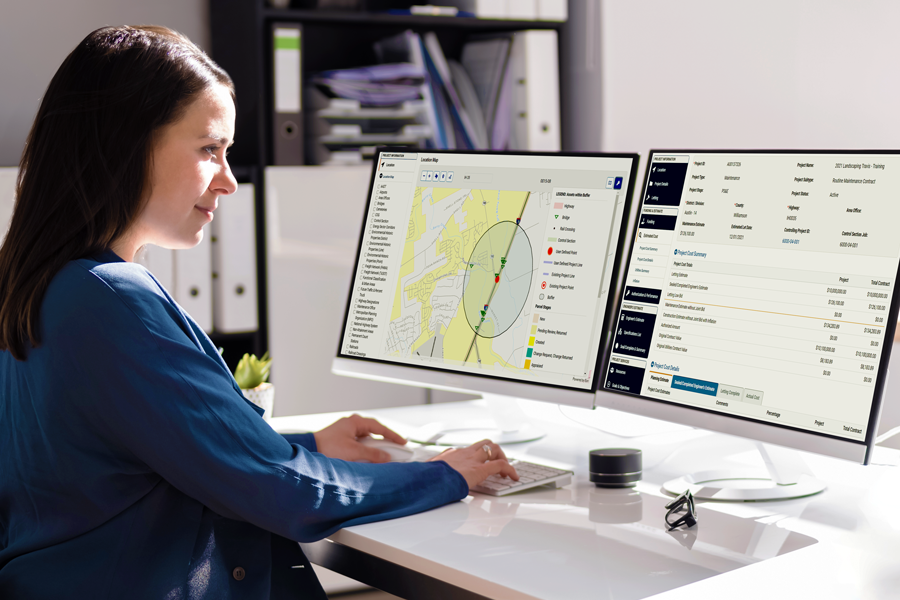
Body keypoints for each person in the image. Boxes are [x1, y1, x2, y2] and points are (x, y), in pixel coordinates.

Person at [0, 25, 517, 599]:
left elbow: (147, 446)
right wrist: (441, 476)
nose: (227, 181)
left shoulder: (40, 283)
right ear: (125, 144)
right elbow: (284, 493)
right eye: (208, 150)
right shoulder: (112, 300)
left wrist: (310, 444)